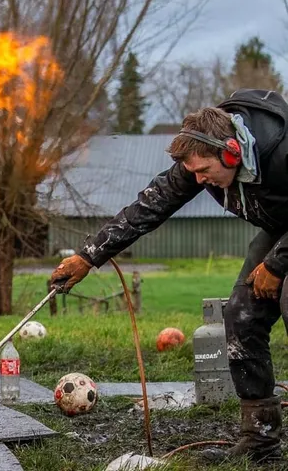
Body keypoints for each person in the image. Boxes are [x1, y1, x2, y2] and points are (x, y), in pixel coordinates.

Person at [50, 88, 288, 464]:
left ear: (231, 151)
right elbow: (152, 204)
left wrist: (276, 265)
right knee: (241, 316)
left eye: (205, 172)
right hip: (280, 230)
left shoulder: (282, 151)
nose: (201, 181)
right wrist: (88, 255)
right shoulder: (202, 159)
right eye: (193, 174)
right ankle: (261, 441)